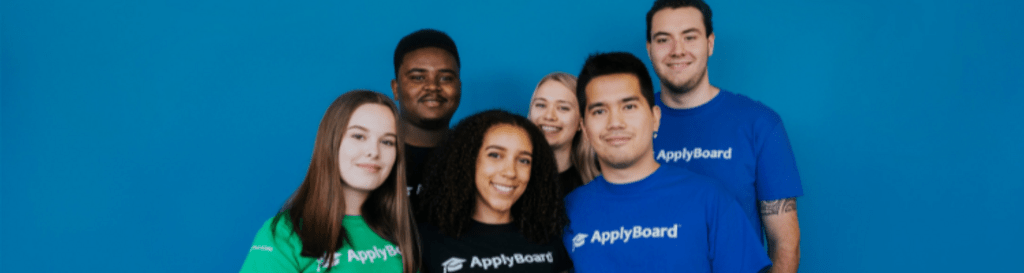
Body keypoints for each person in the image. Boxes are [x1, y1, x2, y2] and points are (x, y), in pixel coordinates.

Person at [562, 52, 769, 272]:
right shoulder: (569, 212)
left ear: (656, 118)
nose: (615, 122)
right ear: (584, 128)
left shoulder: (710, 200)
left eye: (629, 107)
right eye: (600, 111)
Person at [644, 1, 803, 271]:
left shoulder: (761, 124)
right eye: (663, 39)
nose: (677, 50)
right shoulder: (629, 124)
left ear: (710, 43)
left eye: (690, 37)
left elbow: (785, 245)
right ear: (649, 49)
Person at [240, 90, 419, 273]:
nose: (373, 151)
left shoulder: (398, 228)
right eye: (358, 136)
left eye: (387, 142)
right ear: (331, 142)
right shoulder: (284, 233)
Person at [417, 110, 572, 273]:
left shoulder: (549, 238)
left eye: (523, 160)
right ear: (469, 159)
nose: (510, 172)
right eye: (495, 155)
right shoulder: (427, 241)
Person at [391, 29, 462, 199]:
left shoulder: (477, 156)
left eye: (446, 78)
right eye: (418, 77)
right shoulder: (374, 154)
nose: (432, 86)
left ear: (459, 87)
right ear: (396, 89)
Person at [526, 72, 599, 195]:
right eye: (541, 105)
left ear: (581, 122)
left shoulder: (596, 184)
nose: (549, 116)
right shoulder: (511, 178)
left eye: (563, 108)